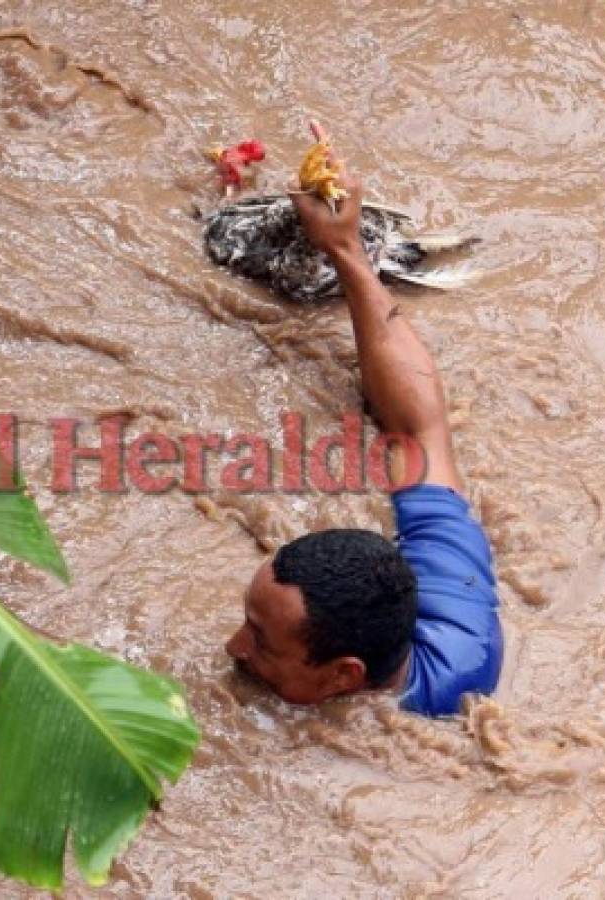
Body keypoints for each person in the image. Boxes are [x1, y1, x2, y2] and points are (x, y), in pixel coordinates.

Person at [224, 124, 502, 716]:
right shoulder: (450, 582)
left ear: (342, 679)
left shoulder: (452, 687)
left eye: (261, 641)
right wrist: (345, 250)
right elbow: (419, 428)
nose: (233, 648)